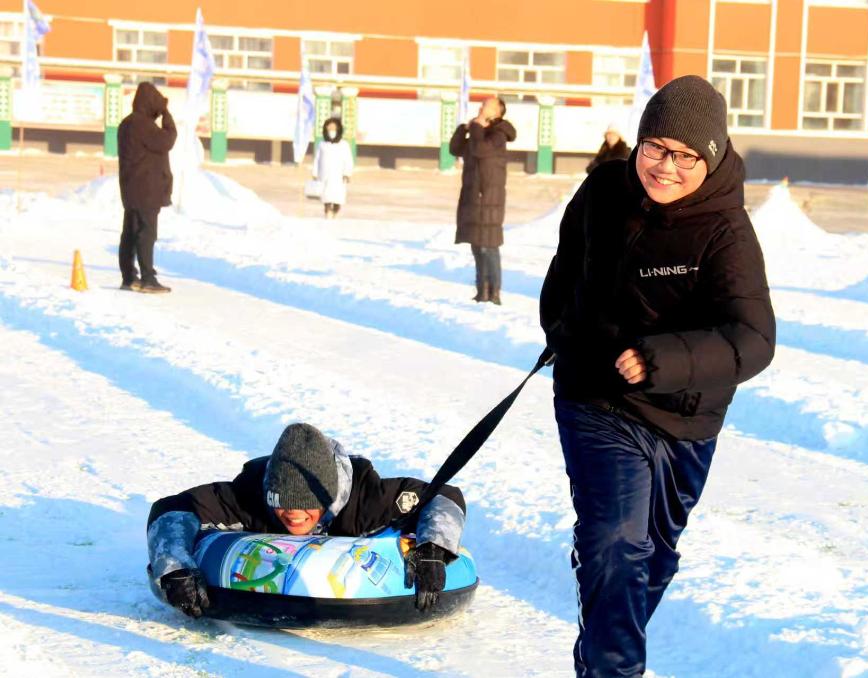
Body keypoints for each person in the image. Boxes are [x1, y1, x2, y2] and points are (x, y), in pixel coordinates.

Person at [539, 75, 776, 677]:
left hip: (685, 418)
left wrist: (662, 359)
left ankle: (600, 651)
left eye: (685, 156)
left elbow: (754, 339)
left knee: (653, 560)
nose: (666, 167)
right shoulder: (602, 191)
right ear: (639, 142)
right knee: (615, 541)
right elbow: (565, 273)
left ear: (710, 158)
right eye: (655, 148)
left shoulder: (727, 232)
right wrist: (565, 337)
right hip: (595, 399)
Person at [147, 422, 466, 616]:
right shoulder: (248, 495)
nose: (294, 516)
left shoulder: (367, 499)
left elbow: (444, 496)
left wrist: (433, 550)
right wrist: (175, 567)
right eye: (282, 506)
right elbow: (172, 508)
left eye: (307, 507)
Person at [449, 97, 516, 305]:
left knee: (489, 246)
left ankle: (494, 292)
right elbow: (455, 149)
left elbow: (480, 150)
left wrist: (476, 127)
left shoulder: (498, 134)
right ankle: (482, 291)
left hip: (489, 198)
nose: (481, 107)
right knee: (477, 245)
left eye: (486, 105)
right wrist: (464, 129)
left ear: (497, 111)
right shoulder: (478, 132)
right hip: (473, 197)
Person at [117, 81, 176, 294]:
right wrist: (167, 116)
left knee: (130, 233)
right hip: (146, 189)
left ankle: (129, 277)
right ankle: (148, 278)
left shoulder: (126, 124)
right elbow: (167, 141)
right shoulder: (142, 125)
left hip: (130, 187)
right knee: (146, 233)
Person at [312, 116, 354, 219]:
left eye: (333, 128)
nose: (331, 131)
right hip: (325, 175)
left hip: (338, 176)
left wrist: (347, 173)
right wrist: (315, 172)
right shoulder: (322, 144)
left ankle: (335, 209)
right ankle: (327, 210)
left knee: (337, 196)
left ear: (338, 129)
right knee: (325, 195)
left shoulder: (344, 145)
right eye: (329, 128)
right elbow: (317, 159)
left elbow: (348, 160)